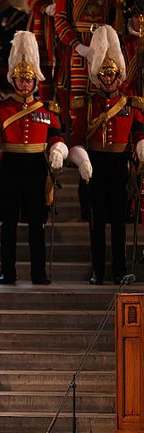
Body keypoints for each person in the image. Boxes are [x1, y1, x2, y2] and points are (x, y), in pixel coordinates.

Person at [0, 31, 68, 285]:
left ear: (35, 81)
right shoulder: (1, 107)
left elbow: (56, 136)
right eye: (21, 79)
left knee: (36, 224)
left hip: (37, 167)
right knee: (9, 224)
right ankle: (8, 271)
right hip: (11, 166)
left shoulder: (48, 109)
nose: (25, 84)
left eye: (29, 80)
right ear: (13, 79)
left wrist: (58, 151)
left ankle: (39, 272)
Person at [69, 25, 144, 284]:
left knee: (119, 222)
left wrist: (141, 148)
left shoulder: (130, 104)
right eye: (104, 74)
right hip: (96, 163)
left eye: (112, 74)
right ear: (97, 76)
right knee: (97, 221)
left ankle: (120, 270)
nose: (108, 78)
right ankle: (98, 271)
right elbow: (77, 138)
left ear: (119, 75)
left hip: (120, 164)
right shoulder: (87, 105)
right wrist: (81, 159)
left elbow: (138, 132)